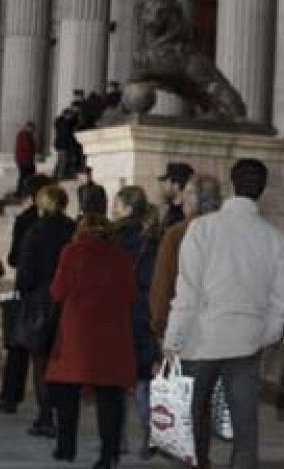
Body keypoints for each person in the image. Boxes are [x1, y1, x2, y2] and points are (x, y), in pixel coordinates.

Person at [164, 158, 284, 469]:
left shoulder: (203, 228)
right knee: (246, 427)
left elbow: (188, 293)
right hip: (246, 342)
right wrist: (264, 335)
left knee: (192, 421)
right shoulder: (273, 237)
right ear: (262, 190)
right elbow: (282, 300)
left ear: (232, 185)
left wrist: (173, 338)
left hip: (201, 340)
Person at [47, 211, 137, 467]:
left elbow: (57, 291)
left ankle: (66, 448)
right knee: (110, 394)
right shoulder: (120, 255)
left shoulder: (71, 252)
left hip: (78, 332)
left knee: (67, 390)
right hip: (112, 332)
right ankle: (108, 455)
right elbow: (131, 293)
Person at [14, 183, 77, 436]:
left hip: (41, 302)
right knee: (62, 363)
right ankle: (62, 417)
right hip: (68, 303)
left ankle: (45, 417)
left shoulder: (36, 231)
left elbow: (24, 273)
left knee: (41, 364)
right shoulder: (73, 230)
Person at [0, 174, 53, 414]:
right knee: (42, 350)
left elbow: (15, 258)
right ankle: (46, 407)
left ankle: (11, 396)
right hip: (53, 292)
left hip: (29, 290)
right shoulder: (66, 223)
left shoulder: (27, 221)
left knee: (19, 344)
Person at [110, 185, 161, 458]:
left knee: (117, 383)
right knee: (143, 382)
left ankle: (117, 440)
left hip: (117, 315)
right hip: (143, 316)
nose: (113, 209)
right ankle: (150, 436)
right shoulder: (152, 238)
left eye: (117, 205)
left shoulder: (114, 238)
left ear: (128, 208)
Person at [149, 173, 222, 343]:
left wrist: (161, 329)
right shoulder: (230, 233)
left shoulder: (177, 234)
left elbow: (164, 285)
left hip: (188, 331)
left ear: (192, 200)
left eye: (186, 194)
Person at [159, 162, 194, 228]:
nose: (163, 185)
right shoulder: (170, 209)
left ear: (176, 185)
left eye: (166, 181)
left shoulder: (181, 215)